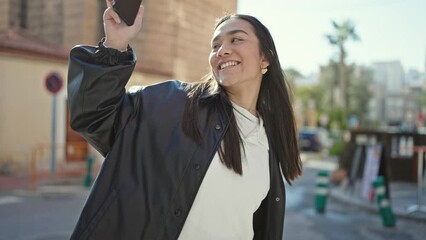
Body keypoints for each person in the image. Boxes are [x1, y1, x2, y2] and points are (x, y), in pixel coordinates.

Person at [68, 1, 302, 239]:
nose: (222, 50)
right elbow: (95, 115)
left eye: (236, 39)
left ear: (265, 59)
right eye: (215, 45)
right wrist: (116, 44)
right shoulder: (173, 104)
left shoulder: (268, 145)